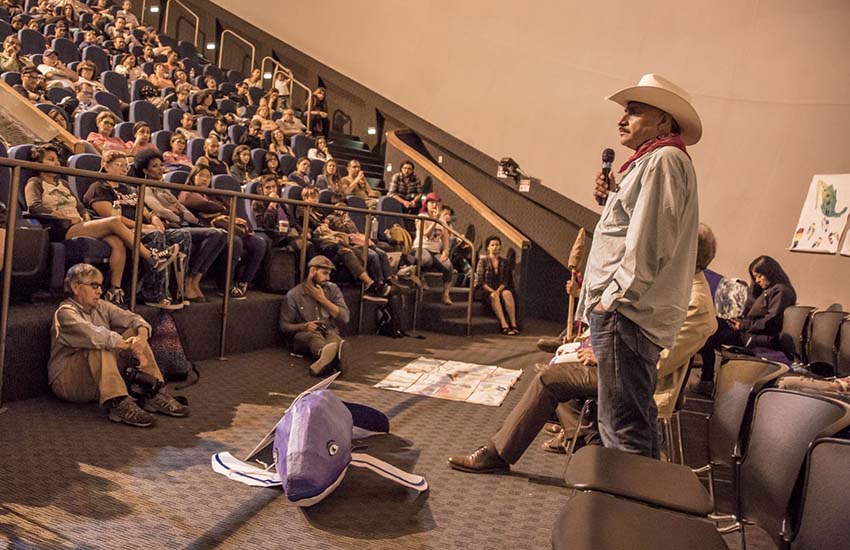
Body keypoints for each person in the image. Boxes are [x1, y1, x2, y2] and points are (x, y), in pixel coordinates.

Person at [448, 223, 717, 473]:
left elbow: (659, 360)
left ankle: (498, 454)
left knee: (549, 379)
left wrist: (603, 356)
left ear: (688, 251)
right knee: (561, 365)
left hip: (637, 381)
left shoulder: (697, 303)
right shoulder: (678, 287)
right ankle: (586, 443)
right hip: (622, 367)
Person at [574, 73, 702, 458]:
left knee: (621, 429)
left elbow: (648, 246)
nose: (621, 119)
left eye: (633, 111)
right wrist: (612, 196)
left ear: (663, 121)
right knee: (635, 423)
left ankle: (624, 513)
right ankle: (643, 511)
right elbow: (637, 228)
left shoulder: (663, 160)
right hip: (629, 313)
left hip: (625, 313)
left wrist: (609, 301)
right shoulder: (655, 161)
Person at [24, 145, 177, 306]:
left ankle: (114, 290)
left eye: (57, 160)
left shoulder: (63, 183)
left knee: (117, 242)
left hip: (80, 224)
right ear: (38, 162)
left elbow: (80, 207)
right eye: (51, 160)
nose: (56, 163)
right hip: (60, 227)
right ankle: (152, 257)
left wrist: (85, 216)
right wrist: (64, 217)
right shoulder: (35, 182)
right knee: (114, 221)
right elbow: (34, 206)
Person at [49, 263, 189, 427]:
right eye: (94, 286)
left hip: (97, 380)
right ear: (75, 287)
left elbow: (134, 319)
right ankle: (118, 403)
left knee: (133, 332)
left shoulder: (100, 305)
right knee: (99, 344)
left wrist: (141, 339)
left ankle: (154, 392)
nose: (100, 291)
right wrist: (130, 346)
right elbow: (95, 335)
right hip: (68, 382)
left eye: (101, 286)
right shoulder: (65, 313)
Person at [84, 151, 190, 310]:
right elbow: (110, 216)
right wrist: (143, 226)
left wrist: (155, 219)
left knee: (182, 236)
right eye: (118, 165)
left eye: (125, 166)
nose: (123, 169)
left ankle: (175, 293)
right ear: (105, 166)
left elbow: (146, 211)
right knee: (154, 235)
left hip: (144, 227)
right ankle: (154, 295)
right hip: (123, 230)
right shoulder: (98, 187)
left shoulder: (129, 188)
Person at [695, 255, 797, 394]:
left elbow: (771, 322)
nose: (757, 280)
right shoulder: (768, 291)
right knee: (712, 326)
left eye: (759, 276)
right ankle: (706, 380)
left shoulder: (781, 291)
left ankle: (706, 380)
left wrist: (742, 325)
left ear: (770, 273)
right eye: (755, 277)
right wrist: (739, 321)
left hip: (761, 338)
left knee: (709, 335)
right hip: (750, 331)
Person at [135, 149, 227, 303]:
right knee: (214, 234)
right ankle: (187, 281)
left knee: (222, 234)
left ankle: (194, 279)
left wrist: (180, 213)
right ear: (145, 170)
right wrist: (177, 214)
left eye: (160, 165)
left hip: (182, 224)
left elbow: (183, 210)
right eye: (155, 166)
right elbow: (159, 210)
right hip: (171, 227)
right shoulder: (145, 187)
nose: (160, 168)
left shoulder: (163, 187)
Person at [179, 163, 268, 299]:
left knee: (259, 243)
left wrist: (220, 212)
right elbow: (202, 205)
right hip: (207, 229)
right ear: (193, 177)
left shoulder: (213, 194)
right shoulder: (187, 191)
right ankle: (225, 285)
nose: (205, 179)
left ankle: (243, 283)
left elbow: (228, 209)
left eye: (208, 177)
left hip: (227, 227)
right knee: (236, 241)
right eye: (201, 175)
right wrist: (220, 210)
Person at [295, 187, 387, 297]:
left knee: (358, 251)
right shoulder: (302, 208)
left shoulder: (319, 210)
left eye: (317, 197)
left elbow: (346, 229)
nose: (315, 200)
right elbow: (313, 224)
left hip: (330, 237)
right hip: (319, 240)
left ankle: (366, 282)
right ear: (304, 197)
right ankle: (370, 283)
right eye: (312, 197)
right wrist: (322, 224)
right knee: (346, 251)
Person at [279, 255, 349, 376]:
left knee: (335, 338)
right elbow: (284, 326)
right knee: (314, 337)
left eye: (329, 274)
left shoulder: (333, 290)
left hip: (328, 330)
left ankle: (326, 361)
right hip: (305, 335)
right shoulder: (294, 295)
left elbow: (345, 317)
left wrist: (323, 300)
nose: (328, 278)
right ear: (312, 271)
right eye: (325, 273)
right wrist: (304, 326)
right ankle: (331, 358)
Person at [325, 197, 395, 293]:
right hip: (349, 243)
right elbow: (343, 230)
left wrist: (347, 219)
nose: (342, 209)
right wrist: (345, 220)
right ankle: (379, 281)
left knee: (382, 253)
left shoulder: (348, 218)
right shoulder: (331, 218)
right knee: (373, 255)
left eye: (344, 206)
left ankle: (389, 279)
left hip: (359, 241)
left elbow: (354, 231)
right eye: (339, 206)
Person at [413, 193, 453, 305]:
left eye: (437, 202)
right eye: (432, 202)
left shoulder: (442, 218)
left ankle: (446, 294)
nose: (435, 205)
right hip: (421, 247)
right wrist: (434, 220)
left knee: (448, 266)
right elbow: (426, 234)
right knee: (426, 260)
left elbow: (445, 236)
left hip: (435, 250)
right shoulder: (421, 217)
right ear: (426, 204)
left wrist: (446, 251)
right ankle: (420, 276)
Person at [476, 236, 518, 335]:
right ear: (488, 248)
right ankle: (504, 324)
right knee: (494, 296)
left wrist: (499, 290)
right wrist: (493, 291)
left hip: (499, 288)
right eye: (492, 245)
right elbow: (480, 281)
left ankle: (513, 324)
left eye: (497, 245)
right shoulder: (483, 261)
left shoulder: (504, 262)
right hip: (485, 290)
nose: (495, 247)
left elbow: (505, 281)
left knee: (507, 293)